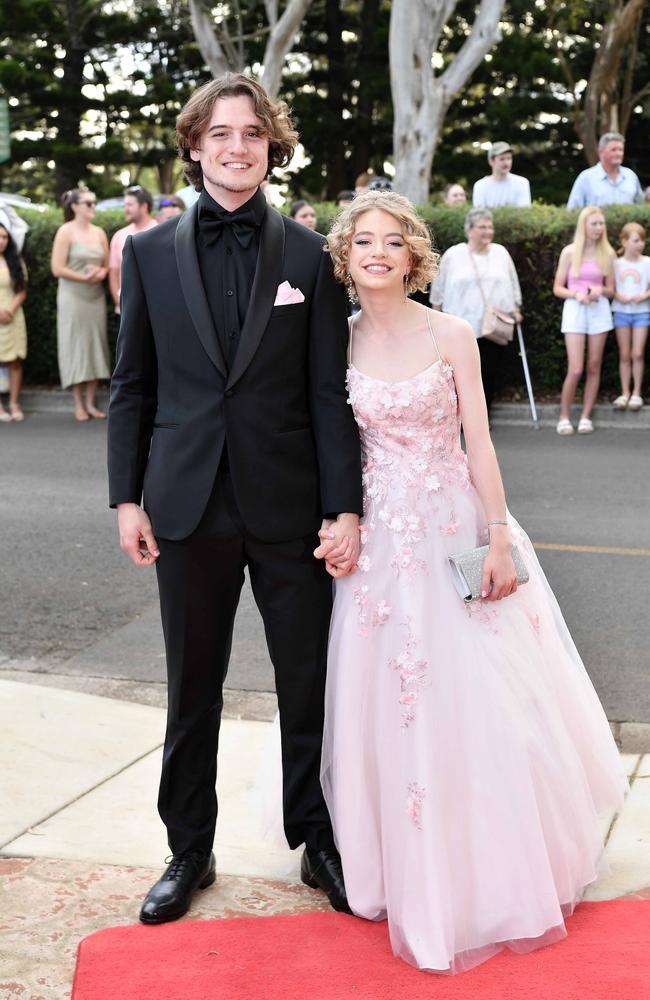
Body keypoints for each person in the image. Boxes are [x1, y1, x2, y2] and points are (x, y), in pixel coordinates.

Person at [321, 190, 627, 974]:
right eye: (363, 243)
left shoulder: (452, 333)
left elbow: (481, 447)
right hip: (380, 546)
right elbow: (328, 442)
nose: (378, 253)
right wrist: (337, 518)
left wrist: (496, 534)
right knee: (387, 699)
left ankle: (493, 866)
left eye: (393, 241)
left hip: (457, 524)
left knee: (480, 695)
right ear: (346, 260)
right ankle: (394, 867)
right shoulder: (334, 340)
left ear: (414, 256)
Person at [107, 72, 363, 926]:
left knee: (309, 682)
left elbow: (329, 392)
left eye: (252, 133)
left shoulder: (308, 254)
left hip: (290, 506)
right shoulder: (144, 252)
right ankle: (189, 849)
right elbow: (133, 386)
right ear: (194, 144)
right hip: (183, 505)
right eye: (220, 133)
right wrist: (125, 499)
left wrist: (345, 508)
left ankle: (317, 841)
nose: (236, 146)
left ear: (270, 145)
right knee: (193, 688)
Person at [429, 207, 522, 413]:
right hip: (460, 325)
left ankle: (482, 415)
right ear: (469, 230)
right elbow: (439, 289)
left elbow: (512, 281)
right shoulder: (454, 255)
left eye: (490, 227)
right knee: (459, 374)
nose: (488, 231)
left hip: (493, 325)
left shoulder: (501, 253)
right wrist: (435, 317)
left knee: (488, 372)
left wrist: (516, 306)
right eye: (482, 227)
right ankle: (458, 416)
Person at [553, 206, 615, 435]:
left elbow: (611, 289)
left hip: (599, 310)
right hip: (575, 310)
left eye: (601, 224)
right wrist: (575, 294)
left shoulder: (607, 253)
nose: (599, 228)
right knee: (576, 368)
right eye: (594, 224)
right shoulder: (569, 252)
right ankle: (564, 416)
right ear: (584, 226)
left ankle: (586, 416)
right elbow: (558, 287)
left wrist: (600, 290)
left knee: (594, 365)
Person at [51, 189, 110, 421]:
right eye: (88, 203)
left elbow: (107, 265)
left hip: (95, 296)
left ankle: (91, 403)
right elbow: (57, 268)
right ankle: (78, 404)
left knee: (96, 344)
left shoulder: (99, 232)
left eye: (95, 202)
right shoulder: (65, 231)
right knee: (75, 345)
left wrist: (100, 273)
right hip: (72, 297)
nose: (92, 206)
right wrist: (83, 277)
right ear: (74, 206)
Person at [611, 222, 650, 410]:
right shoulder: (616, 264)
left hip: (642, 312)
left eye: (642, 240)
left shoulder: (647, 262)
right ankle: (625, 392)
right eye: (636, 240)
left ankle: (637, 393)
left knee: (638, 353)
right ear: (624, 241)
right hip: (621, 312)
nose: (640, 244)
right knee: (625, 354)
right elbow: (609, 288)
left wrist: (643, 296)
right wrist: (619, 297)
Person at [108, 185, 157, 314]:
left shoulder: (160, 232)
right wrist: (119, 302)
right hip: (126, 310)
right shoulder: (119, 236)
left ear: (144, 206)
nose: (126, 209)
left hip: (155, 309)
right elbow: (114, 272)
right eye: (125, 205)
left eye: (130, 205)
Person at [566, 133, 643, 209]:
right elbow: (572, 211)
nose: (618, 153)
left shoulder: (630, 176)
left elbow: (640, 207)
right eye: (613, 150)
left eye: (621, 150)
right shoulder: (586, 178)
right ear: (601, 152)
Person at [0, 210, 27, 422]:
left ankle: (14, 403)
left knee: (15, 361)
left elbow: (22, 289)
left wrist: (9, 309)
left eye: (4, 237)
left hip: (13, 314)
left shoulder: (14, 260)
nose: (1, 241)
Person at [472, 142, 532, 208]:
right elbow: (479, 215)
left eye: (509, 158)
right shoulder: (480, 186)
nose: (506, 163)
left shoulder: (522, 183)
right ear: (491, 161)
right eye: (502, 159)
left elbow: (524, 213)